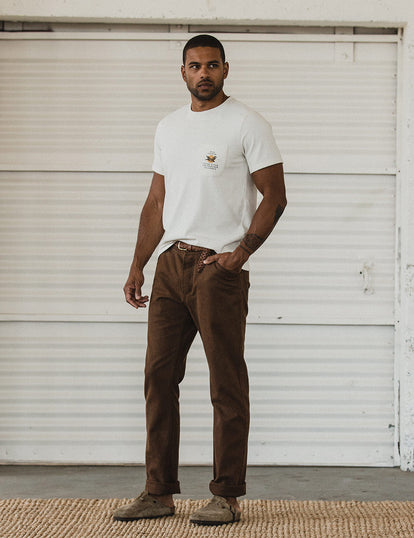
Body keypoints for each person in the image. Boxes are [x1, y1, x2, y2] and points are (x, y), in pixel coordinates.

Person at [113, 34, 287, 526]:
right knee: (158, 378)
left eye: (212, 65)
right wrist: (138, 265)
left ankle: (226, 495)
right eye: (195, 66)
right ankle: (158, 492)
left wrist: (240, 254)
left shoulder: (247, 124)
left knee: (225, 383)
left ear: (226, 70)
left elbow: (274, 196)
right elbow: (156, 202)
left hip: (218, 270)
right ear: (183, 72)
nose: (204, 73)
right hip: (171, 264)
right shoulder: (168, 128)